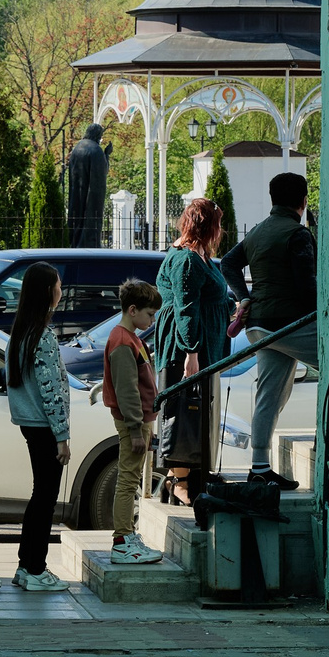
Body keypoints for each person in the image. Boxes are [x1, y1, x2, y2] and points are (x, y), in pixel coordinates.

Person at [219, 171, 319, 490]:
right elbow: (307, 289)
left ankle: (259, 468)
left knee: (270, 394)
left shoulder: (258, 231)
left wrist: (244, 297)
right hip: (288, 323)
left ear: (273, 199)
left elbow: (228, 264)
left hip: (258, 326)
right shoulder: (298, 234)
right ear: (303, 201)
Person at [152, 198, 233, 506]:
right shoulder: (186, 259)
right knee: (183, 411)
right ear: (206, 226)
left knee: (195, 412)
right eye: (217, 224)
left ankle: (193, 477)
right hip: (184, 350)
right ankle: (179, 481)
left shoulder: (197, 255)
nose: (220, 230)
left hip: (199, 348)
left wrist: (233, 308)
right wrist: (192, 353)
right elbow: (186, 309)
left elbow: (210, 297)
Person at [1, 262, 71, 590]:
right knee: (46, 498)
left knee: (39, 495)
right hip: (44, 426)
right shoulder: (42, 336)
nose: (61, 291)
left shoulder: (21, 332)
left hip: (31, 424)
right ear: (47, 291)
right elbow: (51, 389)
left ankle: (26, 566)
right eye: (58, 285)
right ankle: (35, 568)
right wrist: (62, 436)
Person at [102, 281, 166, 566]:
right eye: (150, 314)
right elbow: (127, 389)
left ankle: (127, 536)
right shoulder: (122, 341)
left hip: (139, 421)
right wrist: (135, 429)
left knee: (130, 479)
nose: (152, 320)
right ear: (132, 310)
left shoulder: (130, 338)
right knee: (128, 480)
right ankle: (122, 542)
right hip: (134, 422)